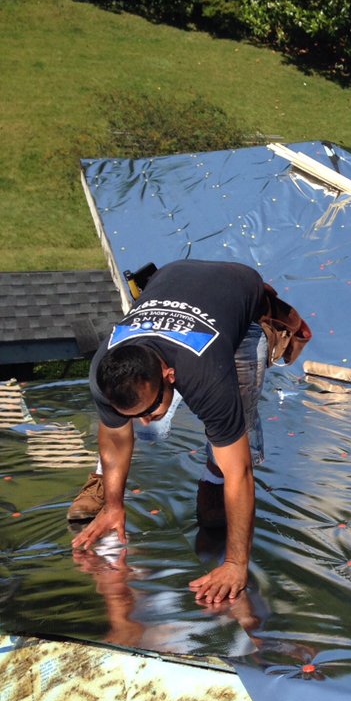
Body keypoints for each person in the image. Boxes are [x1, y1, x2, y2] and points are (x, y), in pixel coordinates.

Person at [68, 259, 310, 605]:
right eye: (138, 413)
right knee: (141, 431)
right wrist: (114, 504)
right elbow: (116, 436)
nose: (147, 419)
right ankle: (101, 485)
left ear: (170, 376)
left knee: (236, 422)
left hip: (238, 298)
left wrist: (236, 564)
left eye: (152, 408)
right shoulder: (104, 371)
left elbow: (239, 472)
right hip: (173, 278)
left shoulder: (208, 376)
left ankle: (211, 485)